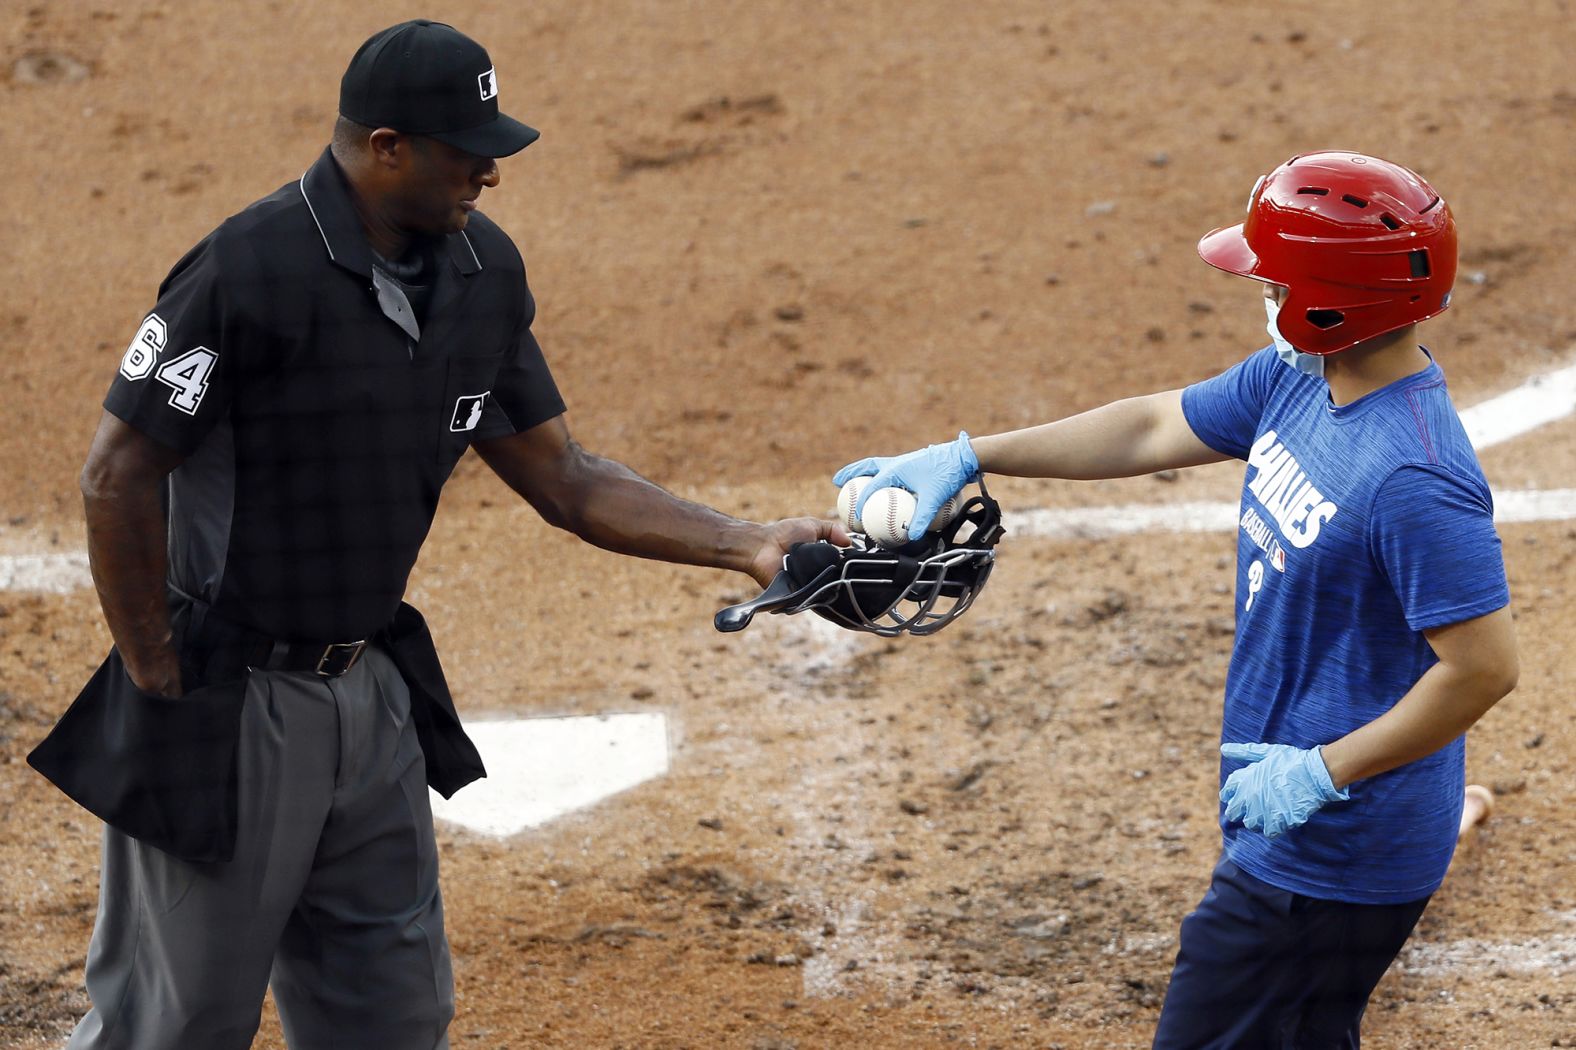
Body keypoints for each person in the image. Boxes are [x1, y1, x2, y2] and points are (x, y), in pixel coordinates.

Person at [32, 19, 840, 1050]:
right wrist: (157, 678)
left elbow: (565, 476)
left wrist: (750, 543)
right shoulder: (246, 271)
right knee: (174, 1025)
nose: (491, 174)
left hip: (372, 700)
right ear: (385, 147)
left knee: (394, 1018)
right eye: (470, 152)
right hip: (231, 705)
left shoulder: (479, 275)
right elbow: (116, 472)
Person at [832, 151, 1518, 1048]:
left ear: (1332, 301)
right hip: (1311, 819)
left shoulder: (1414, 476)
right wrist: (972, 452)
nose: (1259, 291)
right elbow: (1157, 424)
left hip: (1331, 848)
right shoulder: (1302, 380)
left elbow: (1484, 669)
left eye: (1274, 279)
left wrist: (1321, 773)